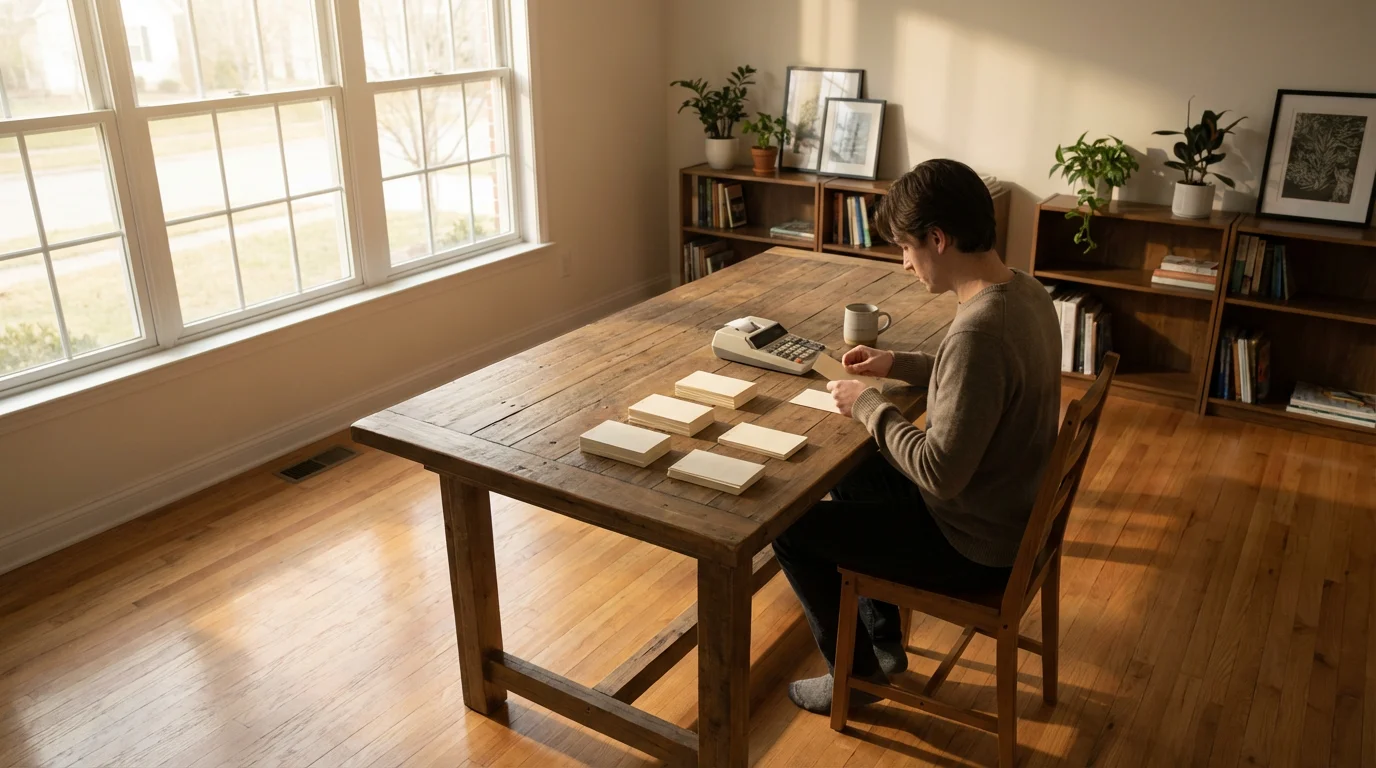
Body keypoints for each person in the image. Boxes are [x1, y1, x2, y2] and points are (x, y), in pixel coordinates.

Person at [773, 158, 1062, 714]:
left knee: (793, 527)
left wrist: (870, 406)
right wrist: (897, 362)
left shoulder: (979, 330)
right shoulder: (1025, 292)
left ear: (938, 237)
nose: (905, 264)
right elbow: (983, 380)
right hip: (1006, 510)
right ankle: (882, 645)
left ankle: (855, 678)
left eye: (906, 247)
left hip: (974, 542)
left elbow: (940, 472)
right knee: (856, 466)